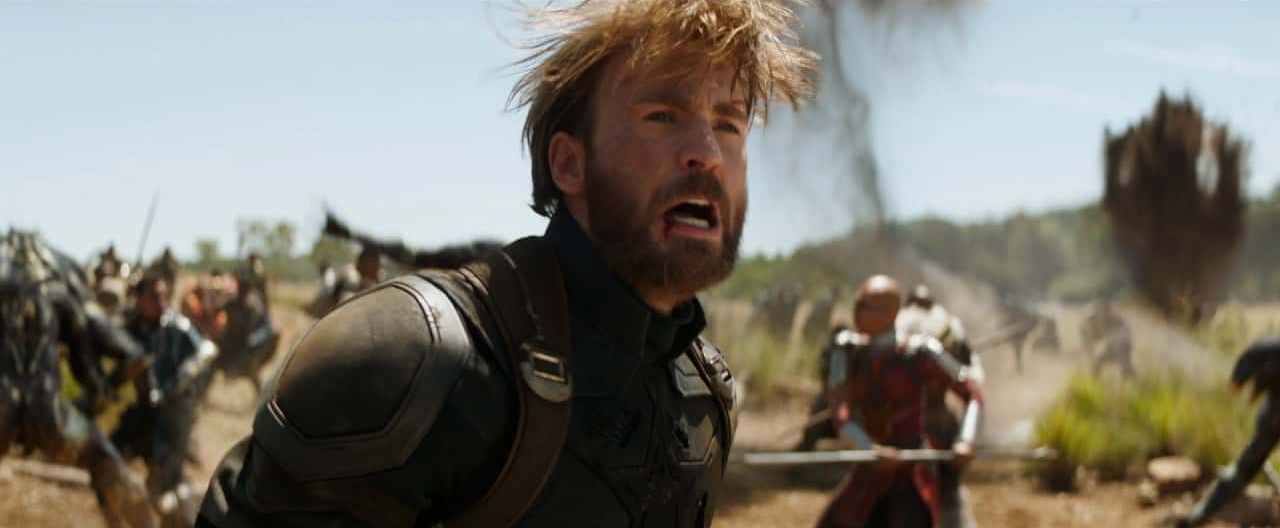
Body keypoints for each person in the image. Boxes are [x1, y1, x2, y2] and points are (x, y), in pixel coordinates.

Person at [198, 2, 816, 526]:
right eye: (662, 116)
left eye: (729, 125)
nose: (707, 154)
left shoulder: (704, 392)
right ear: (568, 164)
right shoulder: (417, 363)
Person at [816, 275, 983, 528]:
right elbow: (840, 412)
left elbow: (973, 393)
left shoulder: (922, 351)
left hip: (912, 470)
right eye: (857, 304)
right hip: (869, 468)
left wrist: (966, 440)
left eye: (864, 306)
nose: (856, 312)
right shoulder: (846, 351)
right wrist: (868, 448)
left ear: (889, 312)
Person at [114, 274, 218, 528]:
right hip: (138, 412)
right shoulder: (128, 328)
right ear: (139, 299)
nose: (161, 302)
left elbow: (206, 351)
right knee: (114, 469)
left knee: (165, 487)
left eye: (163, 296)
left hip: (169, 415)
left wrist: (183, 376)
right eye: (153, 296)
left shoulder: (176, 326)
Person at [896, 284, 983, 528]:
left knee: (947, 496)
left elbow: (972, 384)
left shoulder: (948, 328)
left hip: (938, 423)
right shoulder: (897, 327)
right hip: (904, 425)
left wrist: (965, 440)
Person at [1176, 339, 1280, 527]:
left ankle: (1201, 514)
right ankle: (1201, 514)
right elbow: (1246, 368)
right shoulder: (1267, 352)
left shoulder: (1266, 351)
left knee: (1246, 466)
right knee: (1245, 467)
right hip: (1272, 420)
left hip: (1271, 419)